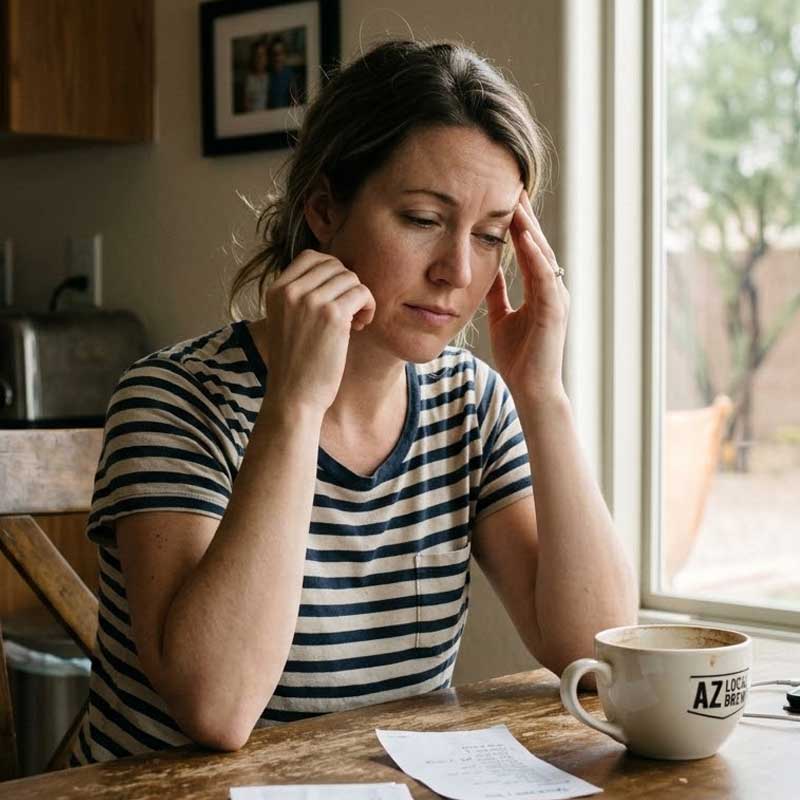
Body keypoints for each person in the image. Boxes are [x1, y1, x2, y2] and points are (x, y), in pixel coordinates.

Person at [70, 38, 637, 765]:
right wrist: (296, 408)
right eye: (422, 219)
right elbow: (217, 706)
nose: (456, 271)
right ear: (324, 209)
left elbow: (597, 653)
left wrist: (542, 392)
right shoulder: (173, 399)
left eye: (491, 235)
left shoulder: (471, 401)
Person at [266, 35, 300, 108]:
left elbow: (295, 100)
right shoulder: (268, 75)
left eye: (280, 53)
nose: (277, 57)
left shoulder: (290, 75)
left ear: (285, 55)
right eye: (274, 54)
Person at [243, 38, 269, 112]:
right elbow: (246, 105)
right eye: (257, 55)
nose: (259, 58)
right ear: (253, 58)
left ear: (266, 58)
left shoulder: (269, 77)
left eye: (262, 55)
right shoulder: (249, 79)